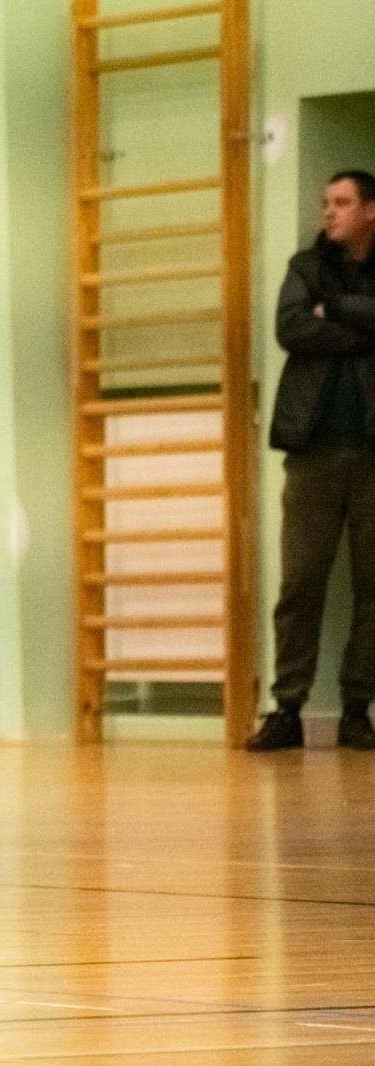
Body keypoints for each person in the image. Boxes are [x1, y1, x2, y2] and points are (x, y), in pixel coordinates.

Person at [248, 169, 375, 753]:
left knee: (372, 589)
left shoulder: (330, 286)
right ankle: (287, 710)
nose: (328, 211)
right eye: (326, 202)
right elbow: (291, 328)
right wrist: (363, 326)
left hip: (371, 456)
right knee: (299, 585)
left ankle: (357, 711)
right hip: (312, 454)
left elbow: (317, 324)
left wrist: (336, 309)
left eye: (341, 202)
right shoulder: (306, 267)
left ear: (370, 210)